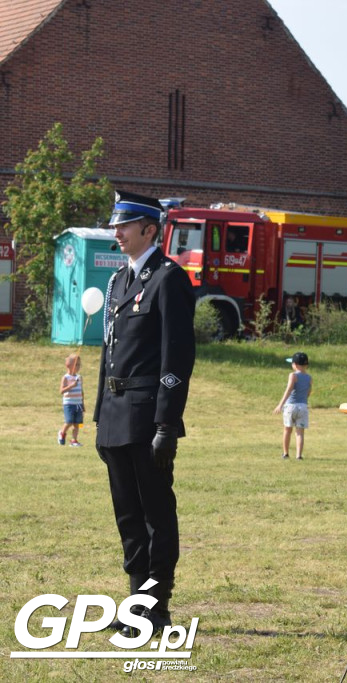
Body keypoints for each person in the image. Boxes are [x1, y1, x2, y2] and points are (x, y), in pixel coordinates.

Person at [94, 190, 196, 635]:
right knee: (127, 515)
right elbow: (108, 353)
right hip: (116, 414)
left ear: (149, 229)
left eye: (124, 225)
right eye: (115, 226)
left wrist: (167, 425)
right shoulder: (119, 281)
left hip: (147, 415)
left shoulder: (169, 278)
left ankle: (157, 605)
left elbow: (177, 357)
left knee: (156, 512)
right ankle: (136, 600)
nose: (116, 233)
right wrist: (99, 416)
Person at [273, 351, 312, 460]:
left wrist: (280, 404)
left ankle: (285, 453)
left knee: (287, 430)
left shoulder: (293, 375)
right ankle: (299, 455)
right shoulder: (309, 377)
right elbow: (308, 392)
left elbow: (289, 389)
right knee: (300, 432)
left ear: (295, 365)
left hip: (290, 406)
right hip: (303, 407)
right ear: (306, 365)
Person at [58, 353, 85, 447]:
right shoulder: (66, 377)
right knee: (69, 421)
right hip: (69, 404)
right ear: (68, 365)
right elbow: (61, 391)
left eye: (79, 364)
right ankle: (62, 433)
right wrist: (71, 386)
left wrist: (83, 405)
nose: (78, 367)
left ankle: (74, 440)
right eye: (76, 364)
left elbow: (82, 392)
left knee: (78, 423)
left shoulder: (79, 377)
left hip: (78, 404)